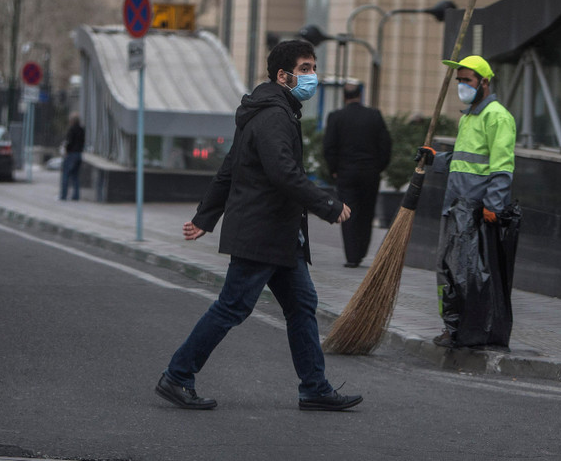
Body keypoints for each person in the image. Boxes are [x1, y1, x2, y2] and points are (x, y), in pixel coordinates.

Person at [155, 40, 363, 411]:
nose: (312, 76)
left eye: (314, 68)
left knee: (302, 305)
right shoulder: (273, 116)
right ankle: (178, 375)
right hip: (262, 232)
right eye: (304, 69)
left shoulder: (272, 110)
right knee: (232, 307)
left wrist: (205, 217)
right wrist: (328, 205)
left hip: (280, 234)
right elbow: (283, 173)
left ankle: (314, 388)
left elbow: (230, 168)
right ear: (283, 76)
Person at [415, 55, 516, 348]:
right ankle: (451, 326)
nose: (461, 85)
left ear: (484, 82)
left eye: (467, 80)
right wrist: (435, 159)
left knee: (467, 274)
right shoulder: (468, 117)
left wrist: (493, 205)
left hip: (475, 212)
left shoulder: (497, 117)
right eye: (458, 80)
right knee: (447, 269)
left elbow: (502, 168)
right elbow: (463, 161)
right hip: (455, 207)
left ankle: (466, 329)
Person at [323, 82, 392, 267]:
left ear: (344, 97)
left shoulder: (336, 117)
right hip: (370, 172)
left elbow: (329, 147)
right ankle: (361, 250)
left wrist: (334, 170)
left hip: (346, 173)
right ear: (360, 95)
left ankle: (352, 256)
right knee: (367, 212)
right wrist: (378, 167)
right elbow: (385, 145)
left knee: (348, 212)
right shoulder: (374, 115)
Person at [60, 112, 85, 201]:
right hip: (79, 154)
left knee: (65, 174)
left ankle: (63, 195)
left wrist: (66, 150)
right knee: (75, 176)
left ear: (72, 121)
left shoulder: (71, 129)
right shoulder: (82, 130)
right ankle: (76, 196)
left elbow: (69, 142)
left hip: (71, 154)